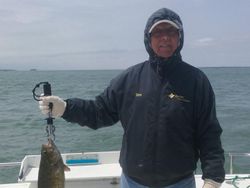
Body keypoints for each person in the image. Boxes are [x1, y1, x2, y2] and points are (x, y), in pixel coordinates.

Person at [39, 8, 225, 188]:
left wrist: (213, 179)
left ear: (180, 37)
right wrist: (65, 108)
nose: (165, 37)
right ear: (148, 38)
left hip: (180, 182)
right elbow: (99, 112)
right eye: (158, 32)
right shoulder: (129, 79)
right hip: (132, 182)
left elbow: (209, 133)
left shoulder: (196, 81)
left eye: (171, 31)